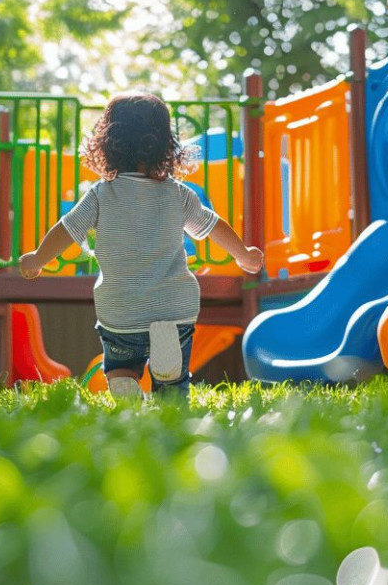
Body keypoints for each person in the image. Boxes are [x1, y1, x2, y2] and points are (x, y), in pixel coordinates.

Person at [19, 93, 263, 396]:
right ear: (167, 145)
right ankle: (168, 370)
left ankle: (123, 381)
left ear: (107, 144)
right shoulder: (178, 194)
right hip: (172, 306)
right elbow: (213, 225)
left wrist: (38, 258)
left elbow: (67, 229)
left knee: (121, 364)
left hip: (120, 310)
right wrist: (244, 255)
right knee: (172, 385)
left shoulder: (101, 195)